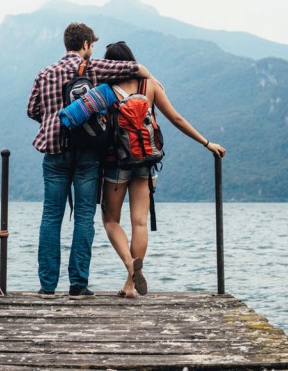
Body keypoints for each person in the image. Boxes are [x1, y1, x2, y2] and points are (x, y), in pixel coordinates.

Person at [27, 23, 154, 299]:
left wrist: (52, 120)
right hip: (88, 154)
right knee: (84, 217)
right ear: (85, 44)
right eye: (92, 45)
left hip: (54, 152)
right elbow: (135, 69)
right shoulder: (94, 67)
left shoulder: (44, 73)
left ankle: (47, 286)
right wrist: (153, 79)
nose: (92, 49)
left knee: (51, 216)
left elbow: (32, 110)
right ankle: (78, 285)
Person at [100, 41, 226, 298]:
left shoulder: (105, 90)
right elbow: (176, 119)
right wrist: (206, 143)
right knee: (140, 222)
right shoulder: (151, 86)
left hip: (117, 163)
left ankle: (129, 264)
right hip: (147, 162)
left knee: (111, 220)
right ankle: (130, 284)